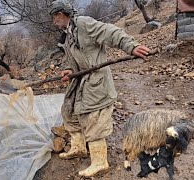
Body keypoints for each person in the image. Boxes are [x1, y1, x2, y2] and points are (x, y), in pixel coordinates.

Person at [49, 0, 151, 177]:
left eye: (54, 17)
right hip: (81, 78)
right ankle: (79, 147)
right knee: (69, 111)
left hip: (97, 80)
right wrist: (70, 70)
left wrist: (131, 46)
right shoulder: (68, 33)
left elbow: (111, 32)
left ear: (61, 14)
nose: (53, 21)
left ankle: (100, 162)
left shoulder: (83, 24)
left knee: (93, 117)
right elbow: (76, 59)